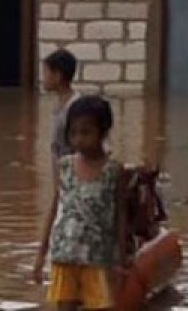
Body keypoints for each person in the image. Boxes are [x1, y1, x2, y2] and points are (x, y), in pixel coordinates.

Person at [33, 95, 129, 311]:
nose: (78, 140)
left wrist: (121, 260)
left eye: (86, 132)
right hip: (64, 255)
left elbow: (120, 216)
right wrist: (41, 255)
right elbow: (54, 208)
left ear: (102, 132)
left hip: (97, 258)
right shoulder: (65, 166)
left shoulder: (113, 170)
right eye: (73, 133)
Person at [42, 49, 80, 162]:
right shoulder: (58, 105)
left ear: (57, 76)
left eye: (45, 73)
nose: (43, 79)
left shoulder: (75, 107)